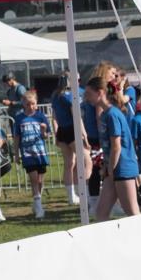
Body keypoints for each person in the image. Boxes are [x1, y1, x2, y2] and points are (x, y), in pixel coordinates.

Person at [85, 77, 141, 220]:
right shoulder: (104, 115)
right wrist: (107, 168)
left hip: (123, 168)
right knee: (101, 213)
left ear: (100, 93)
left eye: (89, 94)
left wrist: (110, 168)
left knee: (132, 212)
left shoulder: (112, 114)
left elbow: (116, 146)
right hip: (112, 170)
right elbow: (109, 147)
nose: (87, 98)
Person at [52, 73, 90, 206]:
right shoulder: (69, 96)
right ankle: (84, 193)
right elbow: (77, 117)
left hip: (62, 131)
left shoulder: (55, 96)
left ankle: (72, 196)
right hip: (72, 130)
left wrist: (56, 133)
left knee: (69, 164)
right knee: (86, 160)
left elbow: (55, 116)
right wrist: (84, 134)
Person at [13, 89, 50, 219]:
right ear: (23, 104)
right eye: (28, 104)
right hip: (27, 153)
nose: (31, 107)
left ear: (36, 103)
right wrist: (16, 154)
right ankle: (39, 207)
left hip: (40, 151)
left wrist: (44, 131)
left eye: (33, 103)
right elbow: (16, 137)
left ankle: (37, 202)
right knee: (34, 179)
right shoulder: (19, 118)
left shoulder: (41, 116)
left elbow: (46, 136)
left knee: (40, 180)